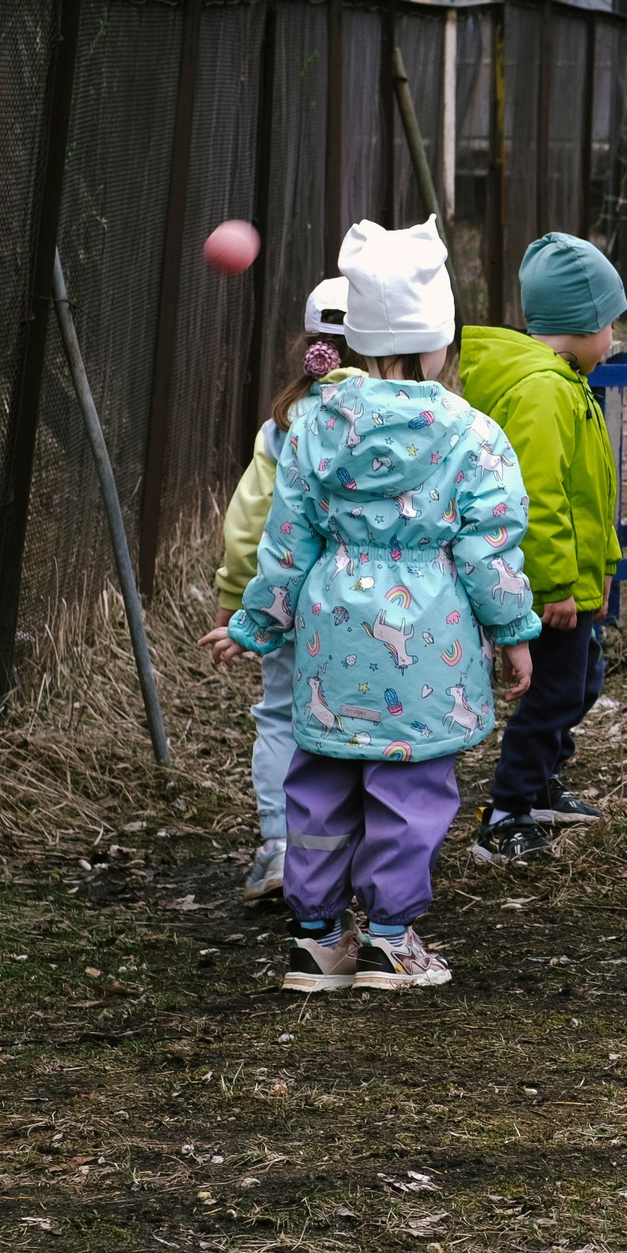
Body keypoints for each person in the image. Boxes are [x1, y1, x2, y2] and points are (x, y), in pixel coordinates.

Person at [202, 215, 541, 994]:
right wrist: (514, 630)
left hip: (331, 637)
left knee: (320, 782)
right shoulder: (473, 434)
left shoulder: (315, 424)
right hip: (428, 644)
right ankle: (390, 937)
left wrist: (256, 622)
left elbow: (286, 540)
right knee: (410, 789)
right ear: (440, 338)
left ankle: (318, 938)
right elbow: (488, 551)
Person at [462, 231, 627, 867]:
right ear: (583, 324)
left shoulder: (565, 381)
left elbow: (590, 493)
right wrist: (556, 586)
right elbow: (539, 497)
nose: (613, 337)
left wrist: (602, 568)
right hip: (548, 587)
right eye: (609, 323)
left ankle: (542, 785)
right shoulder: (544, 390)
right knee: (554, 692)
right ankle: (507, 813)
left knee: (581, 682)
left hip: (574, 579)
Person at [214, 275, 357, 902]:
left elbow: (249, 520)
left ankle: (279, 847)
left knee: (280, 714)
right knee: (358, 718)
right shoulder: (407, 417)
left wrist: (236, 596)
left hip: (288, 603)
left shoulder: (283, 424)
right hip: (370, 604)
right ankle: (357, 851)